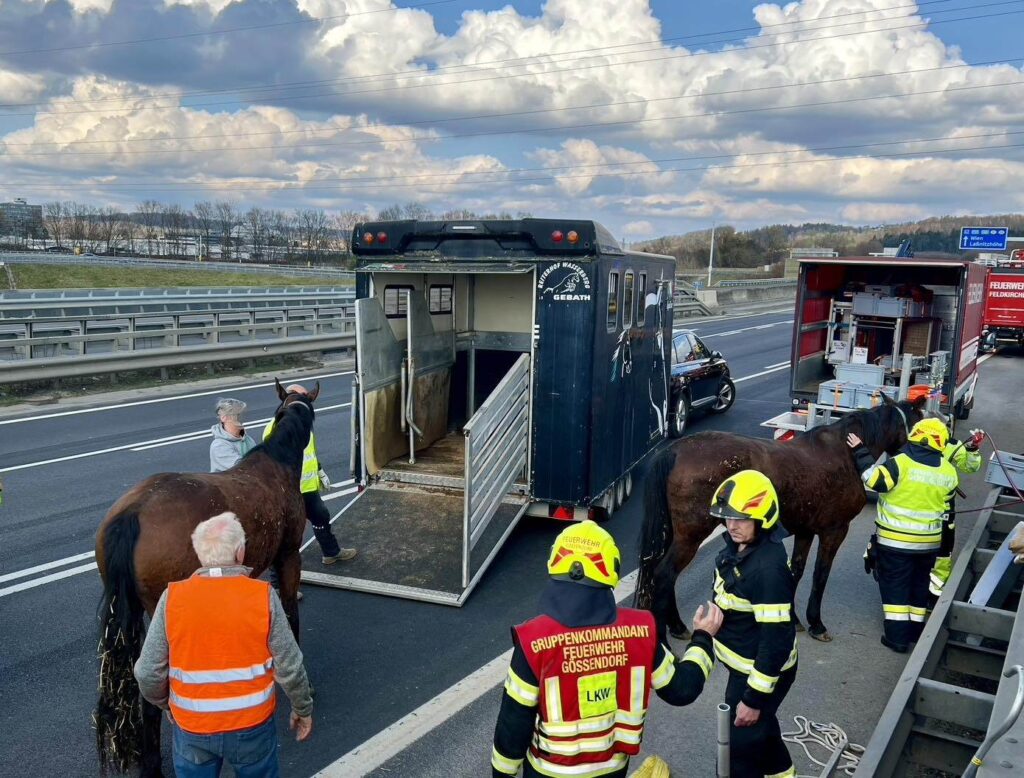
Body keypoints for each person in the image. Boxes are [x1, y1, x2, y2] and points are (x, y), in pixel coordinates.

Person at [491, 520, 723, 778]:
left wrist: (502, 774)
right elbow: (681, 689)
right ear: (611, 571)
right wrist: (703, 638)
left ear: (555, 564)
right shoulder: (640, 631)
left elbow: (512, 729)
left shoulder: (534, 641)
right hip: (612, 770)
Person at [133, 512, 314, 778]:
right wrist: (302, 707)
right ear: (240, 552)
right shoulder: (262, 596)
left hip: (192, 726)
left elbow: (147, 672)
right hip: (251, 724)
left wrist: (167, 704)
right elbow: (290, 665)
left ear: (199, 554)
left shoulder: (172, 598)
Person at [709, 470, 798, 778]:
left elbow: (776, 641)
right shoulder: (742, 548)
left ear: (763, 518)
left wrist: (753, 699)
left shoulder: (768, 570)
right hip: (747, 666)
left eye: (741, 518)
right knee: (762, 731)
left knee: (739, 749)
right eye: (727, 517)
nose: (731, 525)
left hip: (756, 675)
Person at [848, 417, 959, 653]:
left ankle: (897, 639)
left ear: (915, 436)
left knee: (896, 588)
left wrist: (860, 451)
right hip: (929, 543)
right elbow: (948, 506)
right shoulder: (948, 471)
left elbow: (874, 480)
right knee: (919, 586)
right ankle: (915, 632)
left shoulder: (901, 463)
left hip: (896, 542)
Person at [263, 383, 355, 564]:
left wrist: (319, 470)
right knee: (288, 529)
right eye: (303, 396)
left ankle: (331, 552)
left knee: (321, 517)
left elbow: (309, 454)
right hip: (289, 490)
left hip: (308, 488)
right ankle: (281, 571)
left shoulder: (303, 424)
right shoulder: (275, 428)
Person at [928, 428, 986, 597]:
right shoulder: (911, 443)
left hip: (943, 508)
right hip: (921, 504)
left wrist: (972, 448)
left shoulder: (952, 444)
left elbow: (970, 467)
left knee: (943, 548)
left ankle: (934, 588)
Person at [209, 398, 256, 473]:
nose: (242, 420)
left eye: (243, 415)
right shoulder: (219, 446)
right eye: (237, 416)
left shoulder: (247, 439)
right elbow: (241, 468)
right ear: (223, 418)